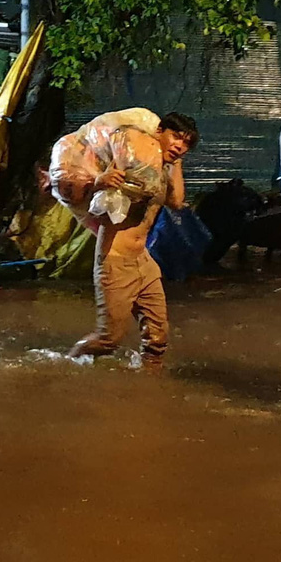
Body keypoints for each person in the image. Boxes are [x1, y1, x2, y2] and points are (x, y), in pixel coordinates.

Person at [67, 112, 200, 371]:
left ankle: (149, 391)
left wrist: (176, 162)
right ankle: (66, 363)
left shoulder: (161, 169)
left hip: (144, 260)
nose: (179, 146)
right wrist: (99, 182)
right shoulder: (130, 160)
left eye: (186, 144)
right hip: (115, 261)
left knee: (157, 338)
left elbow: (176, 202)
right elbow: (86, 196)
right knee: (109, 339)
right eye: (175, 137)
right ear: (159, 132)